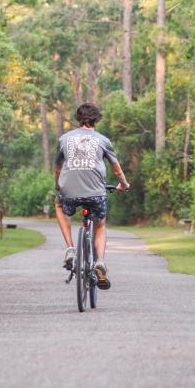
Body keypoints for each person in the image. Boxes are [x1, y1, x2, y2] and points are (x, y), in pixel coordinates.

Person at [54, 103, 129, 290]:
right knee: (100, 224)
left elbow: (57, 167)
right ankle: (100, 262)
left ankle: (70, 248)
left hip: (69, 192)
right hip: (96, 193)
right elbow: (116, 168)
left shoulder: (64, 139)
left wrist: (58, 185)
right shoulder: (103, 140)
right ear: (96, 119)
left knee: (59, 204)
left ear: (78, 119)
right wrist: (124, 184)